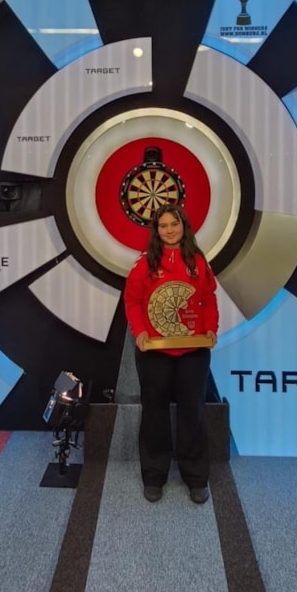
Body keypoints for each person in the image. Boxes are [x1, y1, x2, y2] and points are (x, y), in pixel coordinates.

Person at [123, 203, 219, 504]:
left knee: (193, 412)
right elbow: (132, 301)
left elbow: (209, 299)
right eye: (163, 225)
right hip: (155, 352)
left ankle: (196, 478)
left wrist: (211, 328)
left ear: (183, 226)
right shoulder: (144, 264)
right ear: (156, 230)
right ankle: (154, 476)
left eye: (174, 224)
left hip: (193, 352)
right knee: (154, 413)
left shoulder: (198, 261)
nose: (169, 230)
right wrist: (140, 332)